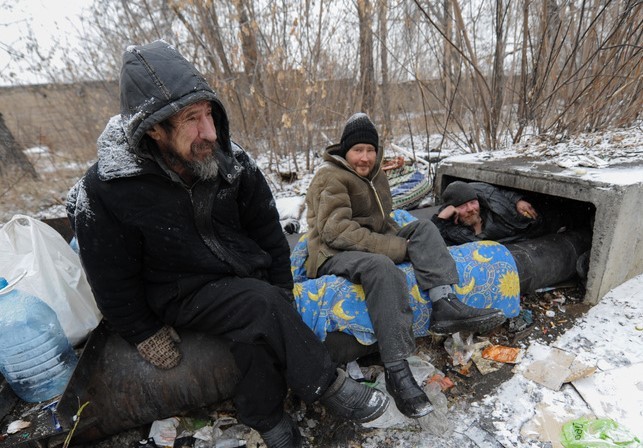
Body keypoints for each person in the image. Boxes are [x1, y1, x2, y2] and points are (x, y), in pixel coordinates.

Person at [66, 41, 389, 448]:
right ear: (153, 128)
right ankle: (327, 385)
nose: (209, 132)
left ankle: (267, 419)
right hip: (177, 291)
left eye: (209, 115)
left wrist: (283, 290)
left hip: (241, 274)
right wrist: (142, 331)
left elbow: (268, 230)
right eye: (191, 119)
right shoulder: (108, 189)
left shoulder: (231, 162)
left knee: (256, 327)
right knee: (260, 305)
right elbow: (108, 272)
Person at [304, 112, 506, 419]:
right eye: (358, 150)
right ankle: (397, 372)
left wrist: (401, 236)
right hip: (332, 251)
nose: (365, 157)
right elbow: (336, 231)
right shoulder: (330, 177)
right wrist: (397, 248)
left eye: (370, 150)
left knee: (424, 229)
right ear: (345, 150)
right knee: (382, 267)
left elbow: (382, 220)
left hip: (370, 237)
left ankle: (444, 304)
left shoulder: (375, 175)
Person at [431, 181, 547, 246]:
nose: (470, 208)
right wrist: (441, 219)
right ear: (453, 209)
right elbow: (429, 243)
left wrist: (517, 200)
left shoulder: (491, 207)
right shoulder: (452, 231)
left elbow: (498, 193)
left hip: (538, 228)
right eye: (462, 206)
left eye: (472, 202)